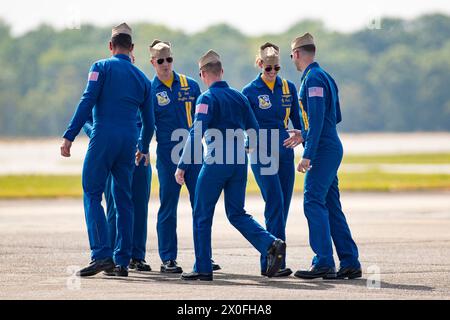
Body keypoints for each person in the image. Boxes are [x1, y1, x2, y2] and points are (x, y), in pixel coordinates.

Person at [174, 50, 286, 281]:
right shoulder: (239, 97)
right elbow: (254, 131)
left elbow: (197, 133)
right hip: (239, 162)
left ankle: (203, 267)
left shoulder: (206, 99)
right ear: (222, 71)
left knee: (202, 214)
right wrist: (244, 148)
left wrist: (183, 164)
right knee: (236, 213)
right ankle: (270, 243)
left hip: (216, 161)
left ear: (203, 74)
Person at [60, 23, 154, 277]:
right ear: (131, 48)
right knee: (124, 200)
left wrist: (70, 135)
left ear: (110, 46)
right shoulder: (143, 79)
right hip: (129, 143)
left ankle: (101, 254)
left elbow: (87, 100)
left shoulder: (100, 67)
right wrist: (143, 148)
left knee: (92, 192)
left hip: (103, 137)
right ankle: (122, 261)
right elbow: (150, 122)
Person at [286, 33, 361, 279]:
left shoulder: (314, 78)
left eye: (291, 56)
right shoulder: (324, 76)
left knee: (312, 201)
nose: (293, 60)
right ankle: (349, 261)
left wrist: (308, 152)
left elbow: (318, 117)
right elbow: (333, 117)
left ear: (297, 54)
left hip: (324, 149)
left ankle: (324, 262)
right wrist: (304, 133)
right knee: (330, 204)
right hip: (327, 142)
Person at [148, 40, 220, 273]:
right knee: (168, 206)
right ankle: (168, 258)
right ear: (153, 63)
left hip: (195, 154)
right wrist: (138, 148)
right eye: (160, 61)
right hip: (168, 155)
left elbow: (206, 120)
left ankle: (204, 258)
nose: (165, 64)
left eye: (169, 59)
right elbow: (144, 125)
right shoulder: (149, 91)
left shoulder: (191, 85)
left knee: (200, 205)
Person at [242, 42, 303, 277]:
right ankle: (271, 262)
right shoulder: (249, 91)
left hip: (285, 151)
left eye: (276, 68)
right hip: (261, 152)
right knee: (275, 202)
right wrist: (248, 144)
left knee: (283, 206)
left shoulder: (289, 88)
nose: (273, 72)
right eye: (268, 68)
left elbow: (298, 123)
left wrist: (308, 149)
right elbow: (244, 123)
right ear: (259, 64)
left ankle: (275, 259)